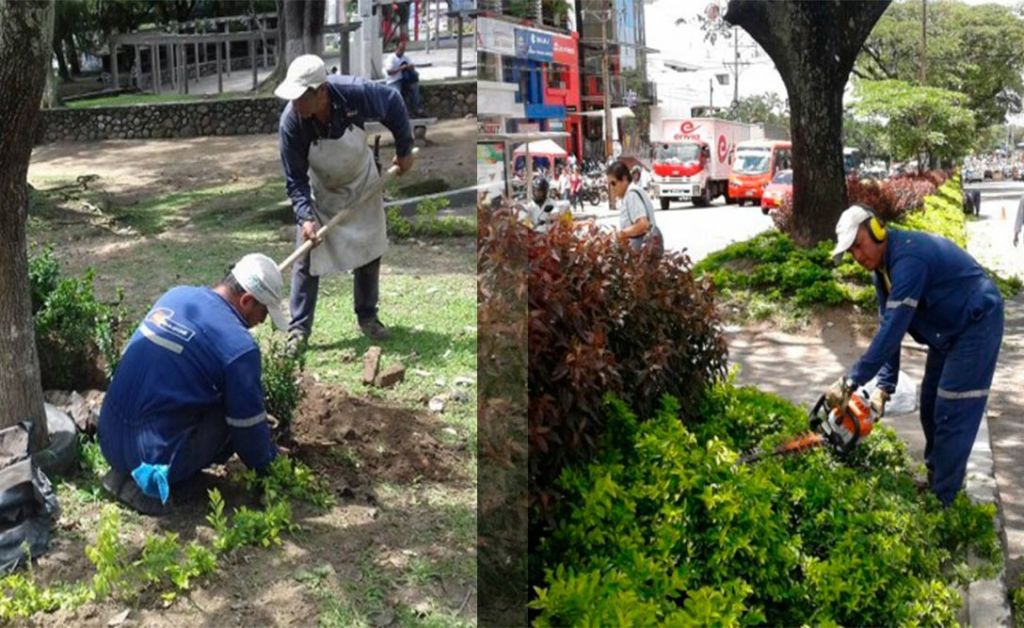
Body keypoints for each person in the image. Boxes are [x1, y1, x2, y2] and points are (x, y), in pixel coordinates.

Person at [829, 204, 1004, 506]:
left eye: (859, 245)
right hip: (948, 331)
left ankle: (944, 502)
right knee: (929, 405)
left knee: (951, 409)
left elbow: (894, 329)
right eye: (851, 252)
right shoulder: (882, 270)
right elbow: (889, 327)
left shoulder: (909, 259)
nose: (858, 256)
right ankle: (939, 481)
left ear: (877, 229)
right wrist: (884, 388)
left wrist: (850, 381)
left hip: (975, 323)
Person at [97, 254, 287, 516]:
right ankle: (169, 478)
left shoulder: (176, 296)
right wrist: (271, 465)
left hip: (108, 439)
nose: (262, 321)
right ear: (246, 301)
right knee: (236, 413)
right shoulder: (239, 347)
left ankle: (135, 468)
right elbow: (247, 429)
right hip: (154, 462)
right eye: (263, 312)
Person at [275, 54, 415, 346]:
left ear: (321, 91)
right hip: (323, 191)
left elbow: (392, 102)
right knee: (306, 255)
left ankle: (367, 317)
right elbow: (295, 179)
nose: (295, 104)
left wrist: (404, 150)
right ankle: (299, 330)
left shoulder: (353, 93)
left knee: (369, 249)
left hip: (362, 182)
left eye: (301, 97)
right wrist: (305, 218)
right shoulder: (292, 122)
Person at [606, 160, 661, 253]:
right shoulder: (632, 192)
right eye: (609, 184)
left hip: (643, 250)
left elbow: (643, 224)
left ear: (624, 179)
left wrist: (621, 234)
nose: (612, 188)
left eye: (613, 183)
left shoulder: (632, 195)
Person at [384, 37, 425, 116]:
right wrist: (400, 69)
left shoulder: (405, 57)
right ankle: (400, 113)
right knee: (397, 94)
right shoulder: (391, 58)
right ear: (396, 48)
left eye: (403, 49)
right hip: (393, 80)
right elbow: (389, 72)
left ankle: (417, 109)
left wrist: (410, 67)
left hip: (404, 80)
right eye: (401, 49)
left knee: (415, 88)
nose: (402, 51)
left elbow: (411, 65)